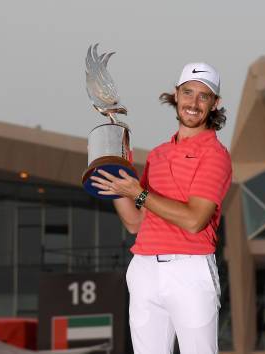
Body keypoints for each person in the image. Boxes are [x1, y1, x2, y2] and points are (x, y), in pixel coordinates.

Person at [90, 62, 232, 354]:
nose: (193, 103)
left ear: (215, 104)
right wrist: (115, 169)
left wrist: (138, 192)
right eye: (188, 92)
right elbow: (134, 222)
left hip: (190, 270)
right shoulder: (158, 154)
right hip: (143, 268)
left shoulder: (215, 155)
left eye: (203, 96)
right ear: (176, 95)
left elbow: (194, 220)